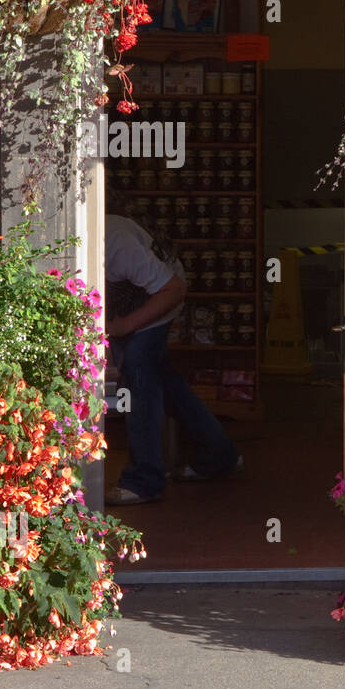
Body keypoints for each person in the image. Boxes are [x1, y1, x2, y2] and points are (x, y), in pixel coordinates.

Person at [104, 213, 241, 505]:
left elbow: (174, 290)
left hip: (162, 296)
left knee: (138, 369)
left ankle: (144, 481)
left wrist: (123, 327)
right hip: (137, 298)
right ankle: (219, 454)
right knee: (162, 382)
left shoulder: (116, 245)